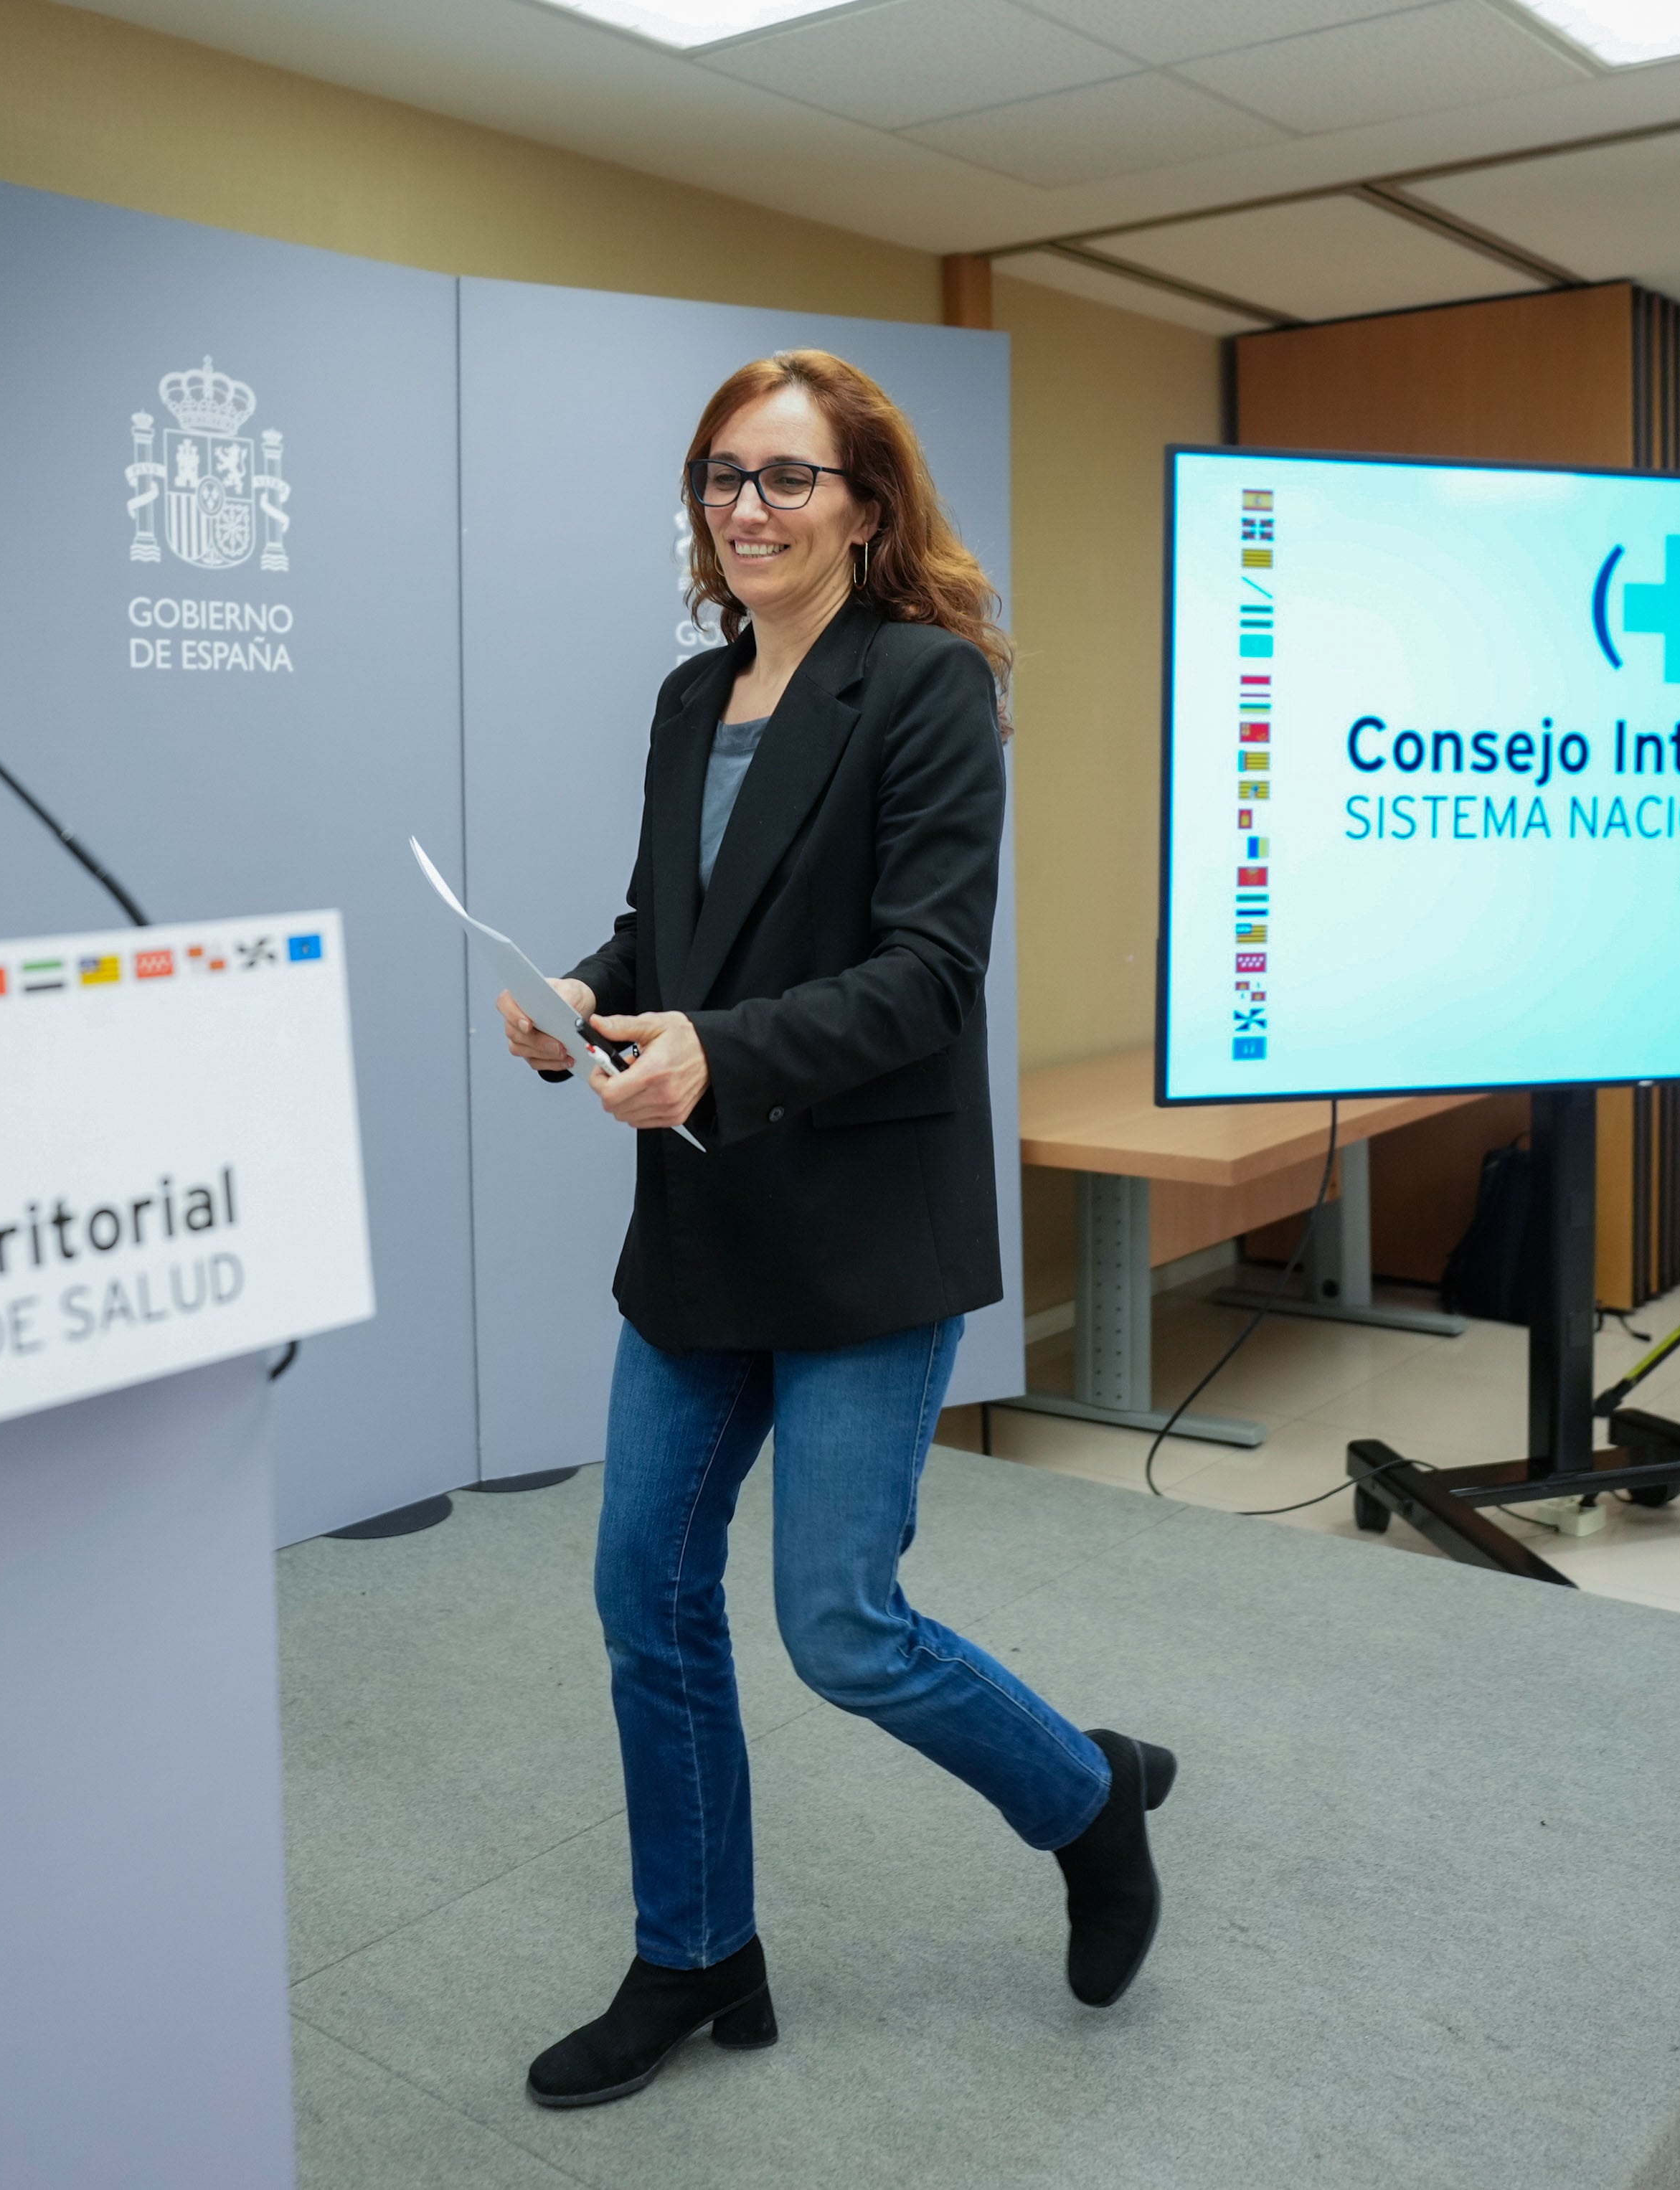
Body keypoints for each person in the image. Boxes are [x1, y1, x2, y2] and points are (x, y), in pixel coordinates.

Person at [499, 351, 1176, 2111]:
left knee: (840, 1624)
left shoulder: (929, 687)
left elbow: (926, 976)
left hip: (865, 1223)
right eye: (723, 476)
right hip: (704, 1226)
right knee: (642, 1595)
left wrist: (719, 1048)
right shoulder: (686, 698)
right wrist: (591, 986)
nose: (746, 508)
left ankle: (1087, 1800)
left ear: (867, 509)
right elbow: (680, 920)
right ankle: (698, 1951)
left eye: (788, 478)